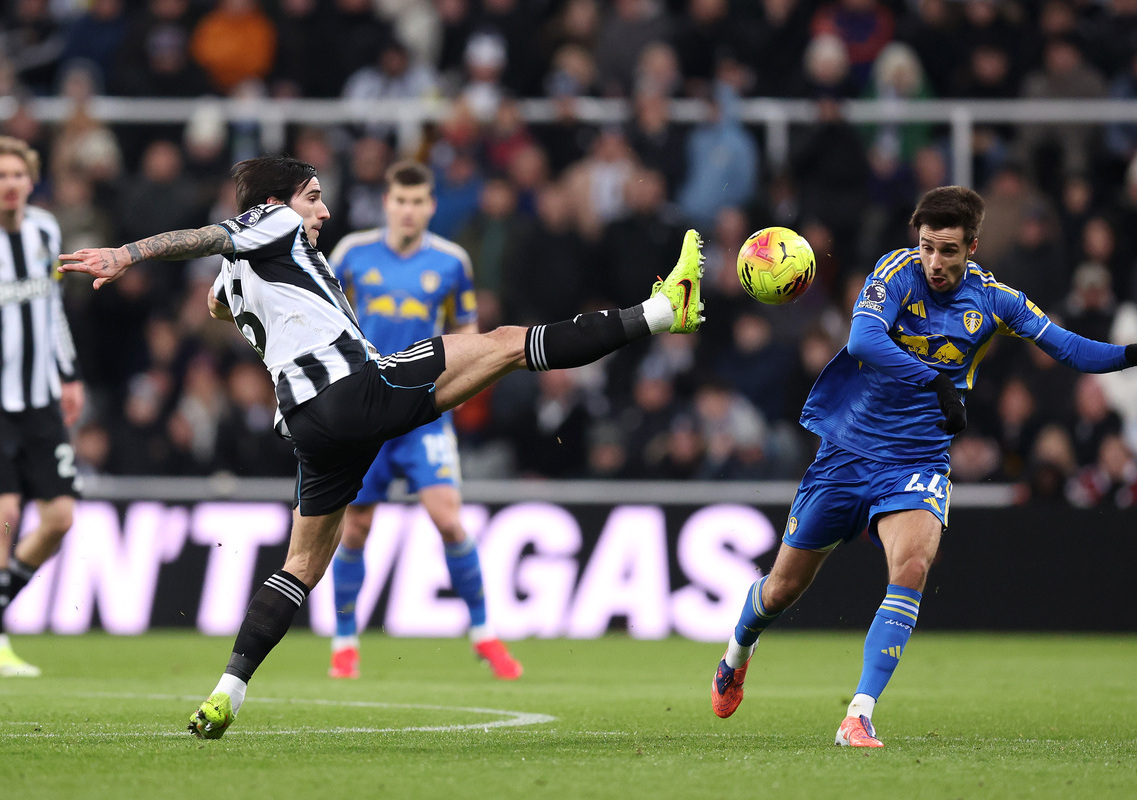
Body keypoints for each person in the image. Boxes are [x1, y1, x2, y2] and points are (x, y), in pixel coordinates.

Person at [59, 155, 705, 739]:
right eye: (314, 197)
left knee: (301, 566)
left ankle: (227, 691)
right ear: (280, 202)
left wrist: (245, 293)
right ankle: (660, 312)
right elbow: (209, 237)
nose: (324, 211)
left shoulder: (242, 271)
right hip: (356, 389)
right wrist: (129, 253)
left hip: (308, 428)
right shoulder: (271, 222)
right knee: (508, 343)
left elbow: (216, 305)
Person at [708, 186, 1137, 747]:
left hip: (918, 458)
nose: (934, 262)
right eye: (927, 246)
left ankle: (858, 713)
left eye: (948, 250)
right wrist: (934, 379)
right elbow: (862, 339)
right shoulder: (895, 272)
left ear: (971, 248)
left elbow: (1066, 347)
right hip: (848, 452)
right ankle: (737, 653)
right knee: (781, 590)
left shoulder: (997, 300)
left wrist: (1129, 356)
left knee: (910, 568)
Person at [325, 160, 520, 681]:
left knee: (449, 519)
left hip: (423, 413)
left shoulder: (452, 262)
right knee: (356, 529)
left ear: (430, 206)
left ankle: (483, 634)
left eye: (418, 202)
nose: (409, 211)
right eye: (400, 201)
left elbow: (469, 334)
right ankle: (345, 643)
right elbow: (330, 322)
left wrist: (456, 394)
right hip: (367, 411)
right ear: (387, 203)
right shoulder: (350, 255)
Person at [0, 136, 85, 677]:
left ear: (31, 181)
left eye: (16, 175)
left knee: (58, 517)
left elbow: (53, 309)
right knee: (6, 515)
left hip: (40, 399)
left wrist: (69, 374)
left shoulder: (46, 231)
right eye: (1, 175)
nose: (9, 184)